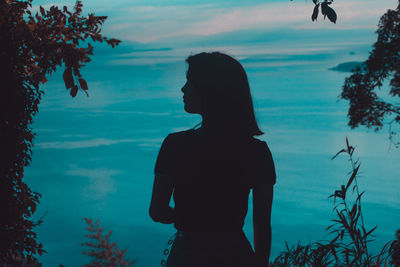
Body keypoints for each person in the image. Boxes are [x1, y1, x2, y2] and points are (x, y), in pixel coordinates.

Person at [149, 52, 276, 267]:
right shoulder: (258, 151)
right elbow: (262, 226)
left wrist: (187, 217)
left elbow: (157, 211)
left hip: (188, 256)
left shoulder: (176, 145)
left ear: (209, 91)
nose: (183, 89)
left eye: (190, 82)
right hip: (236, 255)